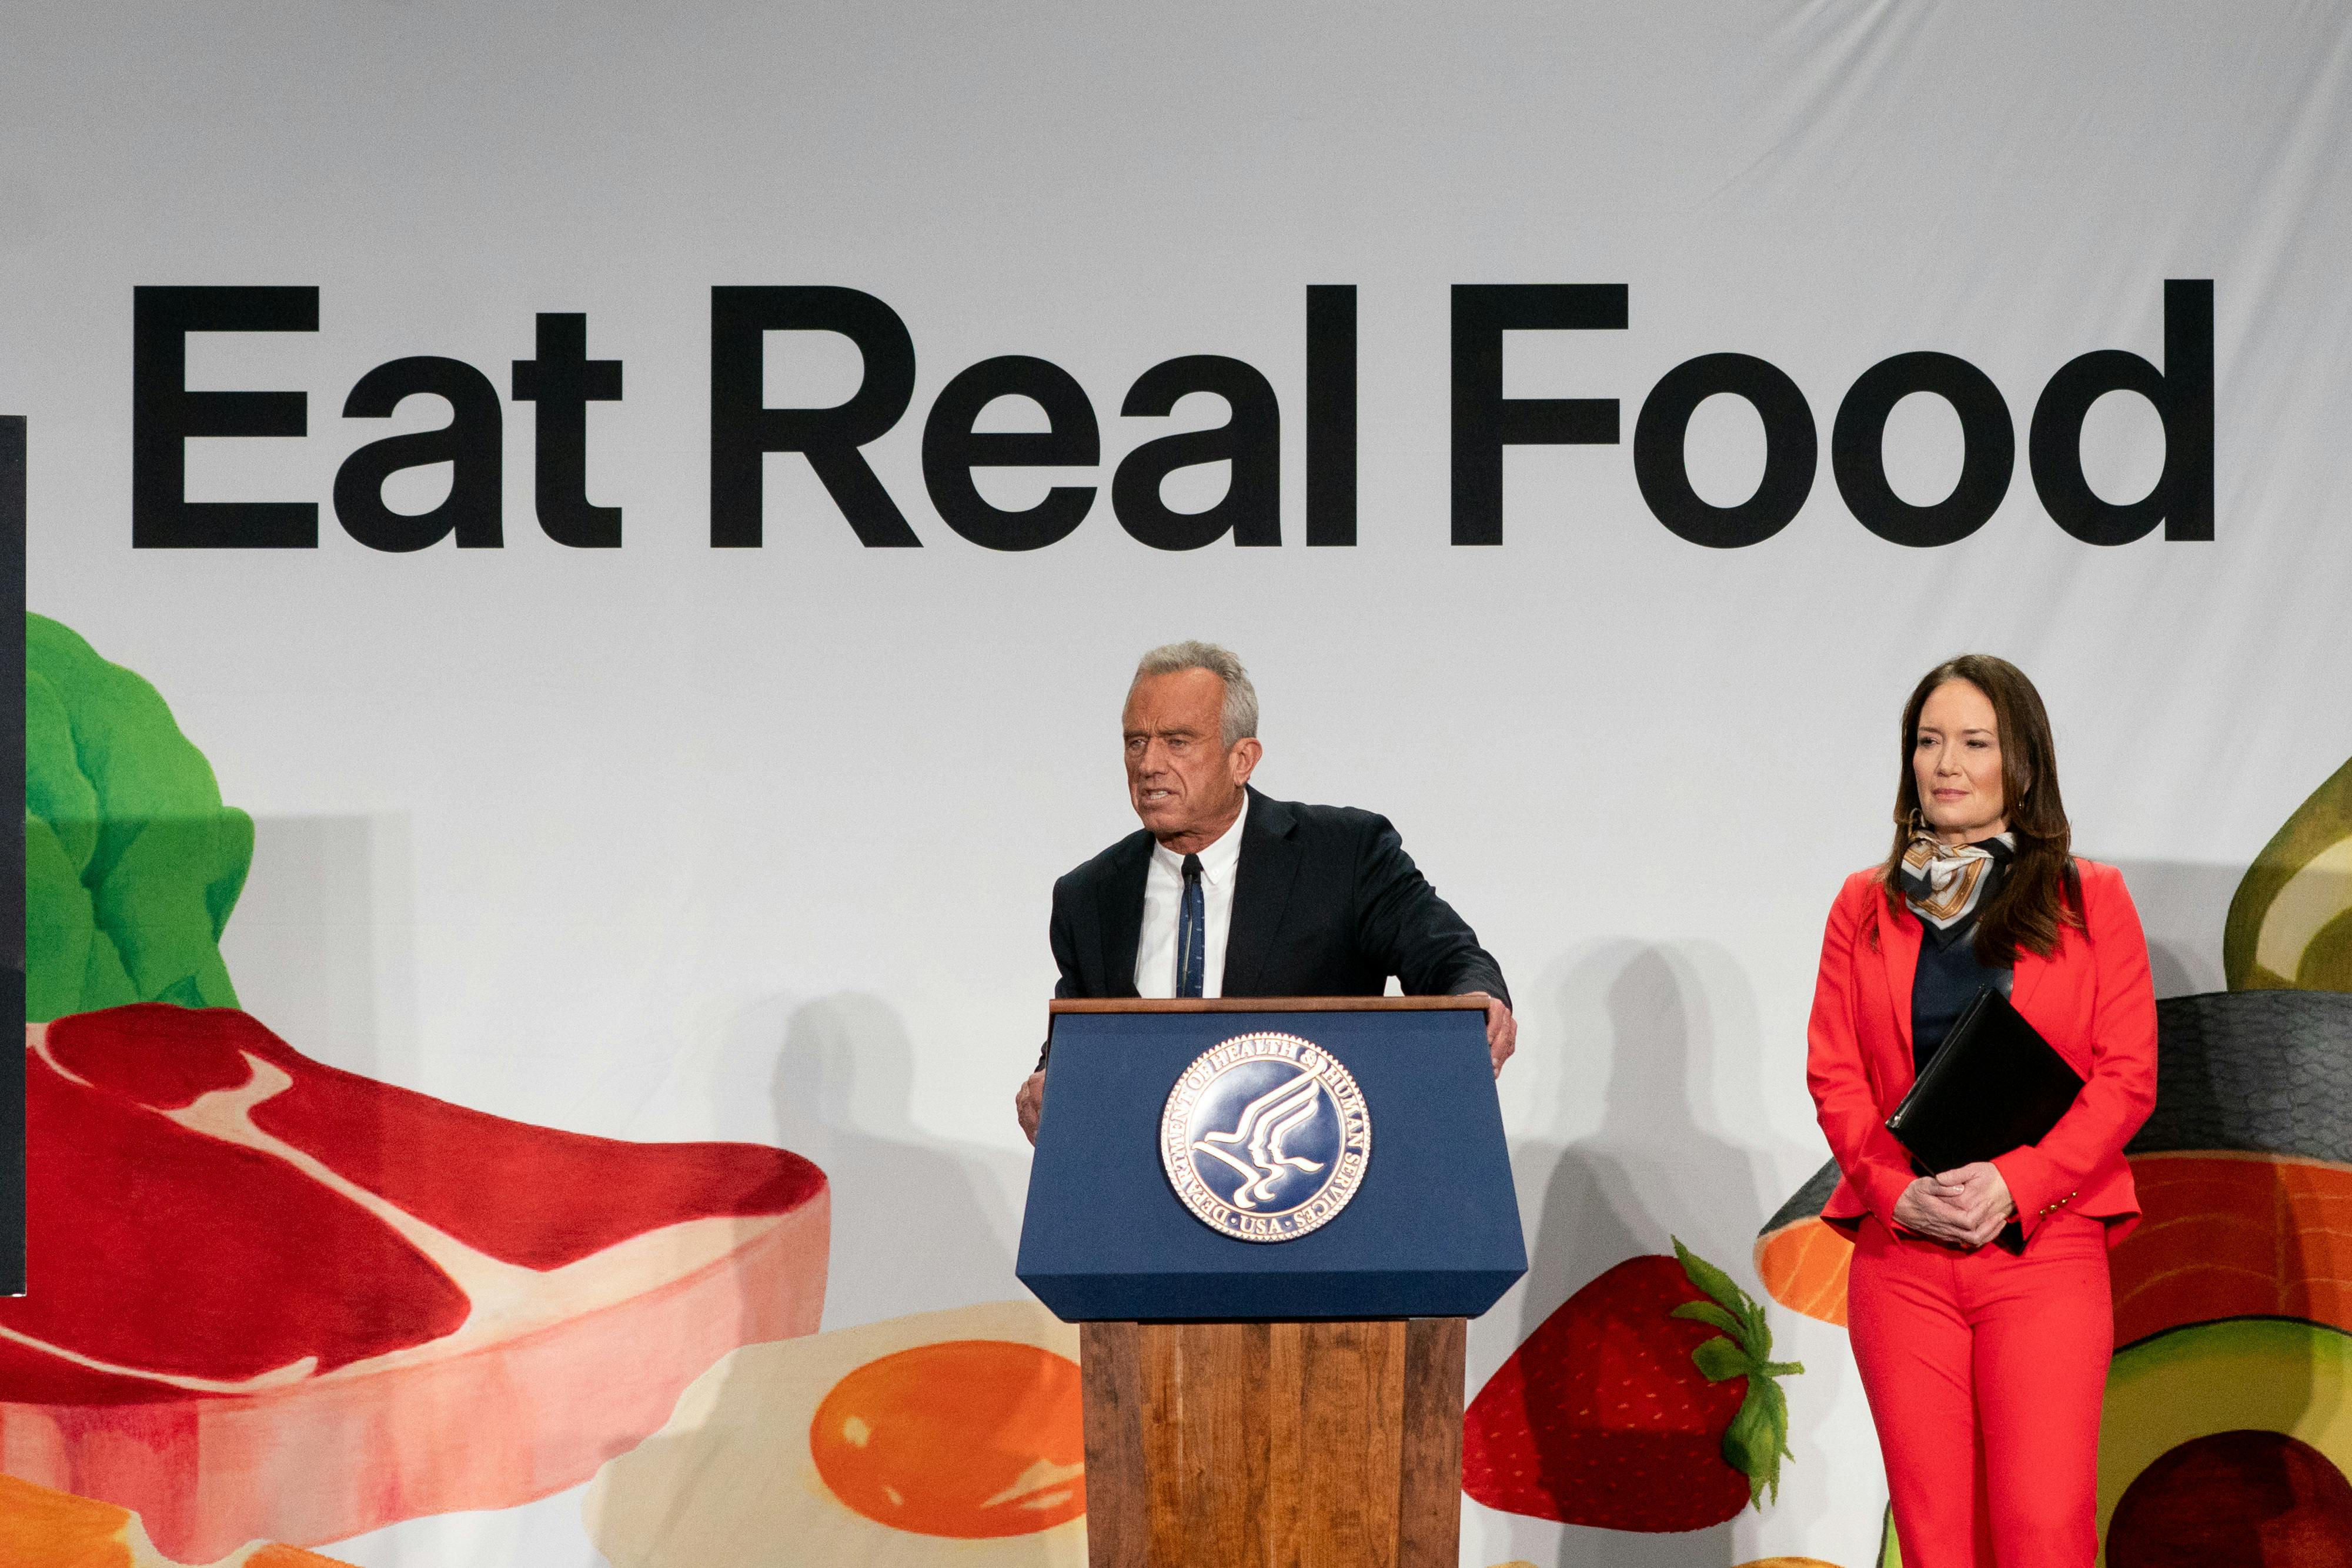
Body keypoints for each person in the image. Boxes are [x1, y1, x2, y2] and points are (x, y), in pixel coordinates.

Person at [1805, 655, 2157, 1567]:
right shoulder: (1864, 902)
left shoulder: (2092, 897)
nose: (1946, 763)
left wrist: (2017, 1179)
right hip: (1904, 1256)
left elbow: (2126, 1076)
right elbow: (1835, 1074)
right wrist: (1892, 1193)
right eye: (1928, 741)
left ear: (2022, 764)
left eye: (1973, 741)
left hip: (2045, 1244)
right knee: (1935, 1540)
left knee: (2043, 1530)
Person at [1014, 640, 1515, 1142]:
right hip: (1143, 1179)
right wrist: (1048, 1078)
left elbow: (1450, 958)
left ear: (1242, 759)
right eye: (1136, 742)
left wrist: (1478, 1001)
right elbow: (1080, 1036)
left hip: (1312, 1169)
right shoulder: (1091, 895)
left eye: (1178, 741)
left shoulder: (1344, 856)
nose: (1149, 765)